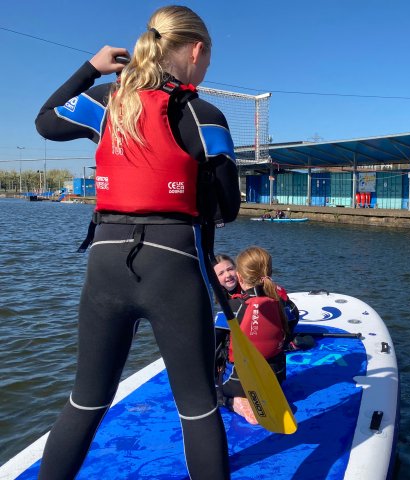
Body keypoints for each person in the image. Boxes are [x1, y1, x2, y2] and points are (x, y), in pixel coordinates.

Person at [34, 6, 240, 479]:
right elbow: (227, 210)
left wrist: (91, 67)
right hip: (172, 266)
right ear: (196, 50)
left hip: (105, 266)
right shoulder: (203, 114)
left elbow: (45, 121)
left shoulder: (109, 101)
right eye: (207, 62)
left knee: (85, 401)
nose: (206, 71)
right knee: (197, 408)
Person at [215, 247, 291, 424]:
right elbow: (292, 320)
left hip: (241, 383)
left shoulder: (233, 308)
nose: (228, 275)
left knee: (209, 390)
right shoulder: (279, 301)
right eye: (221, 273)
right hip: (276, 376)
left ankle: (233, 401)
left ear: (240, 275)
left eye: (230, 269)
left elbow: (212, 343)